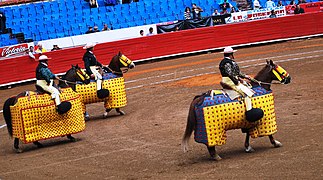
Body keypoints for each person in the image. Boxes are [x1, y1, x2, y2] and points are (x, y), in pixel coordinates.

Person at [219, 47, 258, 117]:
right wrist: (236, 81)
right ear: (231, 54)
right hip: (230, 81)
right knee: (246, 93)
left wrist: (245, 76)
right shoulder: (228, 63)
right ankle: (249, 112)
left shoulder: (224, 62)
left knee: (247, 86)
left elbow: (236, 73)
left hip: (229, 80)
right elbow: (230, 74)